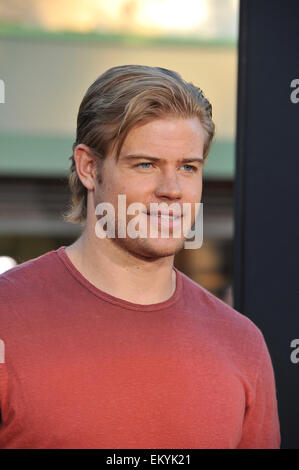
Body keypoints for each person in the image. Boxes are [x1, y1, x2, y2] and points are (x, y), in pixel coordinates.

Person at [0, 65, 280, 449]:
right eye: (145, 164)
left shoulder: (242, 343)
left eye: (188, 167)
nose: (172, 189)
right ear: (88, 167)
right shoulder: (7, 315)